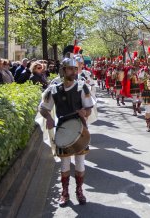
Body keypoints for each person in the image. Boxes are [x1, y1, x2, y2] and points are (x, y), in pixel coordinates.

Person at [39, 57, 95, 207]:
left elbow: (89, 108)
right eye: (70, 69)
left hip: (80, 129)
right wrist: (49, 118)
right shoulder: (54, 89)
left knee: (80, 163)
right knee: (64, 164)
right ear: (63, 70)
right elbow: (43, 107)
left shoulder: (82, 87)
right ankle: (64, 192)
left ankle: (79, 191)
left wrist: (85, 112)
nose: (73, 72)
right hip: (63, 129)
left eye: (75, 69)